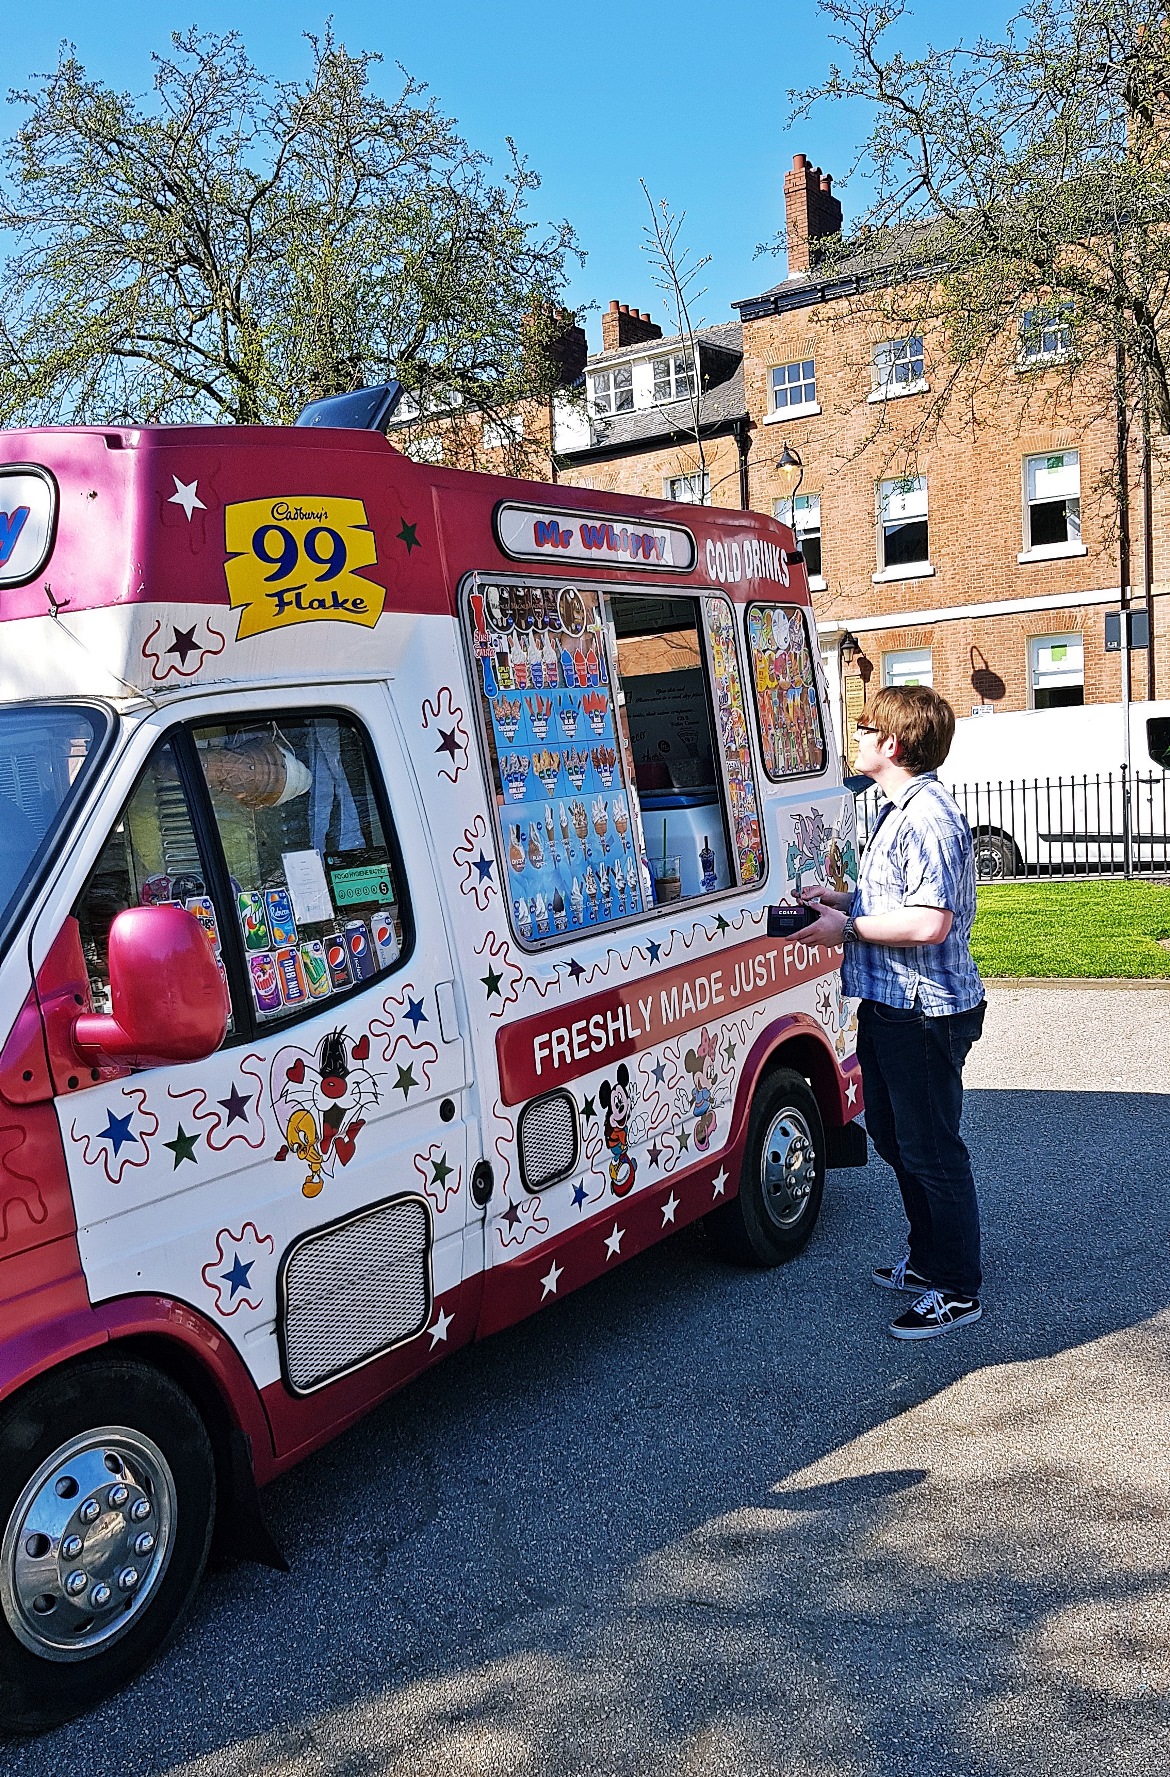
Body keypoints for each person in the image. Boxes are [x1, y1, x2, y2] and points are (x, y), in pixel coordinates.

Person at [798, 685, 986, 1341]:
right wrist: (841, 900)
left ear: (892, 744)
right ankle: (931, 1258)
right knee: (890, 1134)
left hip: (926, 1011)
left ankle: (957, 1285)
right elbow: (892, 899)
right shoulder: (895, 810)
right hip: (889, 1003)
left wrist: (844, 931)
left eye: (863, 727)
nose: (855, 736)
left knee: (932, 1148)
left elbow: (930, 922)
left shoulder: (928, 816)